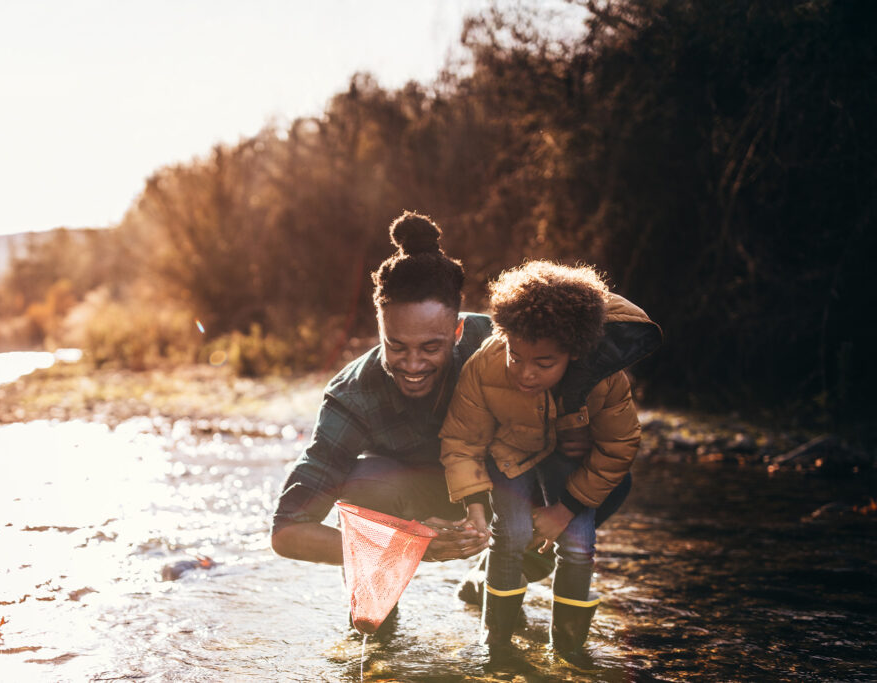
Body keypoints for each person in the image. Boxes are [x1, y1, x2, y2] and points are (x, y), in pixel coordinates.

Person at [269, 212, 632, 633]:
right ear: (380, 327)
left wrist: (576, 427)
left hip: (503, 483)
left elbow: (584, 354)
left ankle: (498, 575)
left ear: (459, 330)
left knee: (608, 481)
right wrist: (411, 546)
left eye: (430, 347)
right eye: (397, 346)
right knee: (364, 482)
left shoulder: (503, 345)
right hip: (408, 501)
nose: (413, 364)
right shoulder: (351, 396)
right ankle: (376, 616)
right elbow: (288, 532)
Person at [439, 260, 661, 665]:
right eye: (516, 356)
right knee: (512, 534)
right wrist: (473, 505)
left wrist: (566, 508)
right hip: (507, 458)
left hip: (566, 462)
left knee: (579, 544)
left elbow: (619, 446)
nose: (525, 373)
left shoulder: (605, 379)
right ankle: (497, 646)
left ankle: (569, 652)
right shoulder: (484, 366)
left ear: (574, 353)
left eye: (543, 364)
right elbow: (461, 440)